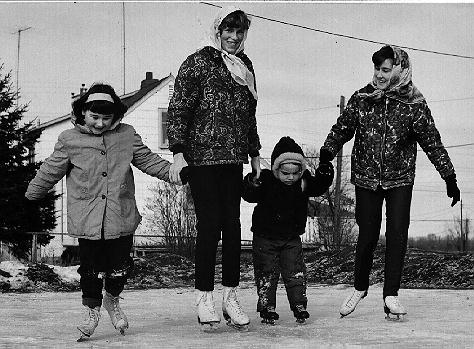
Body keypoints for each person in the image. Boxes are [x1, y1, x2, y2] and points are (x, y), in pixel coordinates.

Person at [319, 45, 461, 320]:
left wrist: (449, 176)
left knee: (397, 235)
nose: (379, 75)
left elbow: (433, 143)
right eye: (376, 69)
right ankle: (359, 288)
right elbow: (343, 127)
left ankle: (391, 295)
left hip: (400, 180)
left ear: (399, 70)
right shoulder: (363, 98)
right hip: (366, 178)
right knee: (367, 235)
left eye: (385, 70)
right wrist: (326, 152)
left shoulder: (414, 104)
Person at [25, 83, 175, 340]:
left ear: (115, 116)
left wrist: (177, 172)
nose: (99, 124)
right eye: (94, 117)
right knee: (91, 269)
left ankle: (112, 301)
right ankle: (92, 310)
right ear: (82, 112)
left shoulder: (127, 135)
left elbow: (148, 160)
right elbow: (50, 170)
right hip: (88, 218)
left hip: (121, 215)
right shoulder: (69, 140)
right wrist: (31, 196)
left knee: (119, 268)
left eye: (106, 118)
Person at [167, 6, 261, 331]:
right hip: (202, 159)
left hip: (233, 159)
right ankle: (204, 298)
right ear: (217, 31)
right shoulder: (198, 62)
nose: (233, 38)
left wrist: (255, 155)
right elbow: (179, 108)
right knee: (209, 226)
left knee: (233, 227)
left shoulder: (245, 67)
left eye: (239, 32)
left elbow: (249, 114)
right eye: (228, 31)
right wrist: (178, 151)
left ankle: (230, 296)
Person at [242, 136, 334, 325]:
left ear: (301, 171)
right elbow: (249, 195)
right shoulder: (266, 179)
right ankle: (267, 307)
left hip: (291, 238)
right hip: (265, 237)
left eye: (295, 173)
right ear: (276, 170)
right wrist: (253, 180)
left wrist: (325, 170)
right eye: (285, 173)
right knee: (266, 272)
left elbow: (319, 186)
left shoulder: (303, 182)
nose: (290, 177)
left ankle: (299, 305)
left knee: (295, 272)